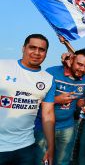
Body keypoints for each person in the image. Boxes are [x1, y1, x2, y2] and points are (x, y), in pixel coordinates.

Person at [0, 34, 55, 165]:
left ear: (46, 53)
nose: (37, 52)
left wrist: (51, 147)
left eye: (41, 49)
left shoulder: (48, 80)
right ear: (23, 48)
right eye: (32, 47)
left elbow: (48, 114)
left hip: (26, 147)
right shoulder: (2, 66)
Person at [34, 48, 85, 165]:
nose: (82, 69)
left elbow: (80, 100)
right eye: (79, 64)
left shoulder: (84, 79)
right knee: (43, 161)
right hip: (44, 127)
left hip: (67, 127)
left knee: (63, 161)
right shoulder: (51, 72)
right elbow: (35, 98)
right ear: (71, 60)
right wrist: (57, 100)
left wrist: (83, 105)